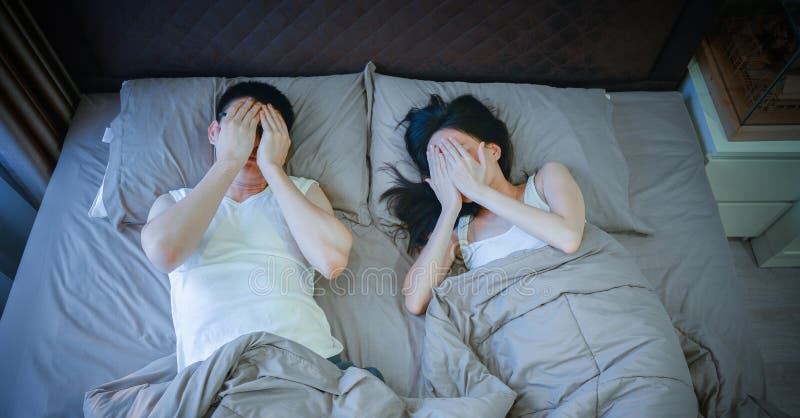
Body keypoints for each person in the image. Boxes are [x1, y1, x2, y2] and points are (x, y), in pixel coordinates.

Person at [141, 81, 382, 381]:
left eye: (263, 129)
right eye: (241, 124)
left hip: (306, 363)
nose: (251, 139)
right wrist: (229, 161)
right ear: (215, 133)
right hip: (214, 374)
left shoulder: (303, 192)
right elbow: (164, 254)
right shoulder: (174, 202)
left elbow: (331, 261)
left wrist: (272, 168)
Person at [381, 94, 586, 315]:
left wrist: (479, 191)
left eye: (459, 153)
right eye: (441, 164)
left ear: (493, 151)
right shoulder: (460, 234)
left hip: (582, 299)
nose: (455, 168)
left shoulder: (547, 179)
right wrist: (449, 209)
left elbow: (569, 238)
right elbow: (415, 301)